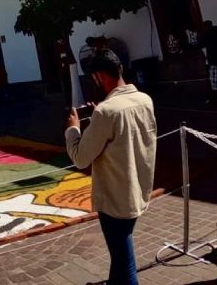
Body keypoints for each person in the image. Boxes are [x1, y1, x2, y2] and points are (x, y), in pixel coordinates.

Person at [65, 50, 156, 285]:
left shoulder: (107, 111)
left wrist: (73, 129)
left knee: (124, 264)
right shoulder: (145, 100)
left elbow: (81, 158)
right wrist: (98, 117)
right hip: (138, 190)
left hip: (114, 199)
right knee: (120, 259)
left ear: (98, 77)